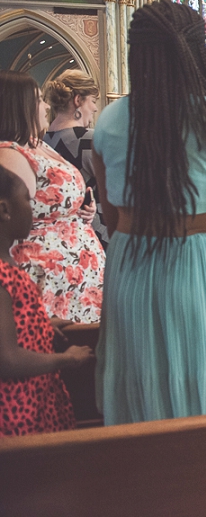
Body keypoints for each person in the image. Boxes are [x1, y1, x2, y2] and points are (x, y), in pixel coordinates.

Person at [92, 0, 206, 424]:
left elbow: (111, 221)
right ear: (197, 51)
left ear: (135, 54)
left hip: (130, 268)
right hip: (201, 271)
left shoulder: (107, 122)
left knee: (138, 389)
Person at [0, 70, 103, 324]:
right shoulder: (11, 153)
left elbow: (50, 200)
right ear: (19, 106)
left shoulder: (39, 143)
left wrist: (79, 211)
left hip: (77, 276)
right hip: (45, 275)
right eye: (38, 100)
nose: (46, 106)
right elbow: (11, 218)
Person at [0, 164, 94, 437]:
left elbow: (13, 323)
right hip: (18, 408)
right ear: (4, 210)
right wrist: (64, 359)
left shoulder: (9, 262)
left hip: (36, 395)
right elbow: (6, 358)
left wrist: (41, 324)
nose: (33, 209)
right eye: (28, 201)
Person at [42, 69, 109, 248]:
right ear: (78, 100)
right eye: (93, 101)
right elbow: (118, 188)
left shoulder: (42, 141)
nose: (95, 108)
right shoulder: (89, 140)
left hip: (56, 237)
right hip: (95, 235)